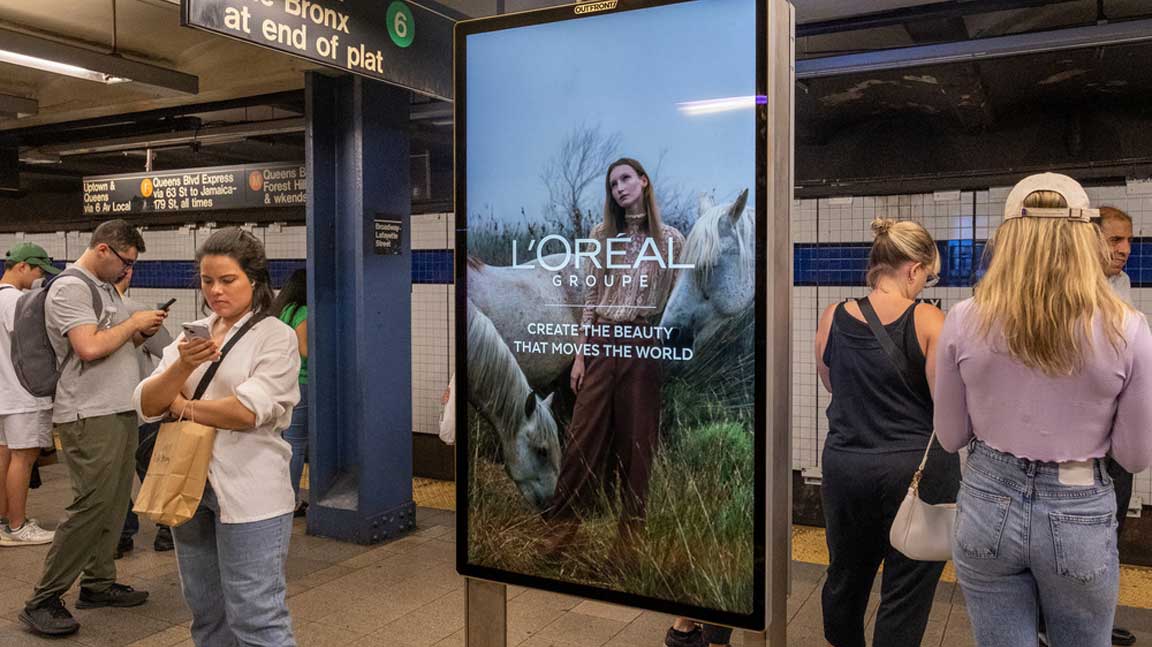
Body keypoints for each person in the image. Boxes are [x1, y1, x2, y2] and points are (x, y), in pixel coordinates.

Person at [935, 173, 1152, 647]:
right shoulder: (1129, 329)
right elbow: (1134, 457)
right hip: (1079, 507)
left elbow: (950, 437)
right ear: (1085, 238)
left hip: (987, 500)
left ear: (1007, 238)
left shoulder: (963, 319)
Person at [135, 227, 300, 646]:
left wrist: (184, 406)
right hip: (189, 485)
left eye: (228, 280)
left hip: (251, 494)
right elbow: (148, 402)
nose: (216, 291)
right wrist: (178, 370)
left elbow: (246, 411)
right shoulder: (195, 333)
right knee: (206, 613)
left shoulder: (274, 336)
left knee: (256, 617)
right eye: (208, 281)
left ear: (255, 280)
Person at [812, 218, 956, 647]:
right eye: (928, 276)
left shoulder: (833, 316)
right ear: (913, 269)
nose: (926, 285)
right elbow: (946, 408)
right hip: (915, 473)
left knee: (845, 576)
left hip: (845, 468)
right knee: (906, 587)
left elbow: (831, 382)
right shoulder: (931, 321)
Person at [21, 220, 167, 637]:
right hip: (88, 412)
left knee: (115, 502)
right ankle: (43, 598)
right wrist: (132, 323)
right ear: (103, 250)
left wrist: (139, 333)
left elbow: (111, 348)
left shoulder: (103, 289)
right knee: (91, 506)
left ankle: (98, 584)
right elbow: (87, 347)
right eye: (125, 261)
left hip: (119, 408)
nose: (126, 271)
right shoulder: (71, 287)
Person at [542, 157, 685, 554]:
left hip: (641, 343)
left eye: (625, 179)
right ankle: (561, 531)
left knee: (638, 447)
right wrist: (581, 354)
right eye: (613, 184)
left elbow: (674, 301)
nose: (619, 188)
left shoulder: (671, 240)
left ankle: (629, 544)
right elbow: (591, 297)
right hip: (603, 340)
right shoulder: (601, 234)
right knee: (581, 438)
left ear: (643, 181)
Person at [0, 243, 60, 547]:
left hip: (2, 392)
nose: (40, 277)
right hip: (24, 393)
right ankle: (18, 525)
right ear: (22, 266)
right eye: (38, 270)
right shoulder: (19, 303)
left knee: (4, 456)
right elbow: (35, 349)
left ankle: (3, 521)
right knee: (23, 459)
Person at [113, 266, 175, 558]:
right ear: (127, 274)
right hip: (141, 410)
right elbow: (169, 352)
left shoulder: (88, 311)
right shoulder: (137, 311)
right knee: (153, 469)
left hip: (105, 411)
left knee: (115, 477)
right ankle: (166, 529)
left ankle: (120, 533)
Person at [270, 268, 309, 516]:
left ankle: (280, 496)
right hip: (303, 380)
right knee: (296, 443)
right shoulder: (303, 312)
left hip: (284, 382)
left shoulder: (282, 310)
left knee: (285, 442)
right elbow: (304, 349)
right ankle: (291, 500)